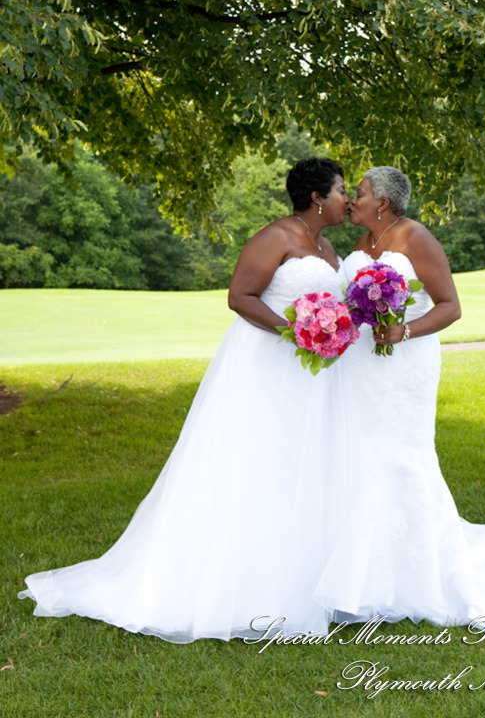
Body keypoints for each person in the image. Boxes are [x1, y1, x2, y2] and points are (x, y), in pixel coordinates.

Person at [18, 158, 350, 642]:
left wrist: (330, 331)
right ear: (318, 196)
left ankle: (298, 574)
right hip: (266, 366)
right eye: (343, 189)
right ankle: (241, 586)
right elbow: (241, 296)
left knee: (297, 463)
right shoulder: (277, 236)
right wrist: (296, 330)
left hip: (307, 375)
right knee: (257, 463)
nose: (349, 197)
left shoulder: (326, 245)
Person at [315, 165, 485, 628]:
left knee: (401, 455)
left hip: (405, 366)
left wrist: (406, 330)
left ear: (382, 202)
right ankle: (360, 570)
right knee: (360, 455)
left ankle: (414, 573)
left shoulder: (415, 237)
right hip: (360, 368)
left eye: (358, 193)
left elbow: (451, 306)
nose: (351, 200)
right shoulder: (360, 247)